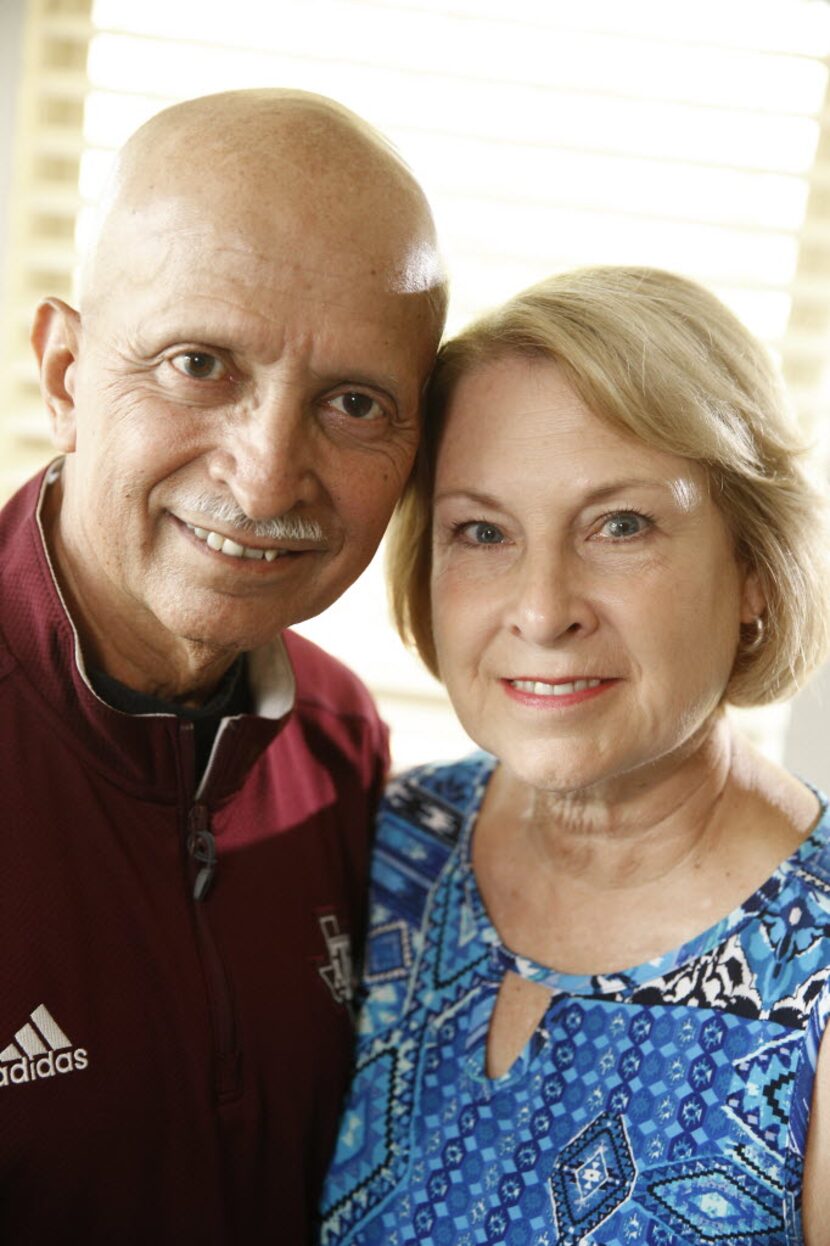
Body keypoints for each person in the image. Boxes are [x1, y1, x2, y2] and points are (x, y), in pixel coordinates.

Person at [0, 89, 446, 1244]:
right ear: (64, 375)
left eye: (353, 403)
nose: (262, 480)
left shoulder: (343, 743)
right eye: (199, 363)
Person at [320, 267, 830, 1245]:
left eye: (620, 525)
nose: (543, 607)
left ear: (753, 573)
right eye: (481, 530)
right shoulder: (379, 846)